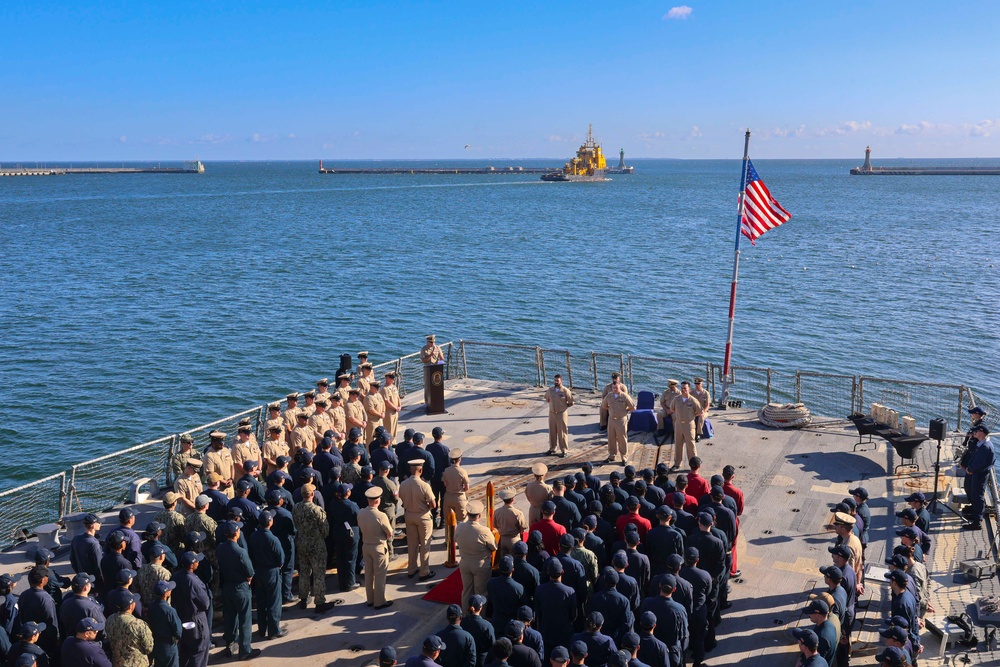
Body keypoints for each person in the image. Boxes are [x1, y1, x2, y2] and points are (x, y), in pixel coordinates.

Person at [215, 521, 260, 660]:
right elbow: (250, 572)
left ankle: (230, 644)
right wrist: (248, 579)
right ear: (236, 533)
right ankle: (245, 650)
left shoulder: (220, 548)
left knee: (229, 618)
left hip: (227, 587)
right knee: (244, 619)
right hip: (240, 588)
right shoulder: (240, 552)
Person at [292, 484, 332, 613]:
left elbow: (296, 525)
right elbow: (325, 531)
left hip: (302, 543)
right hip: (316, 545)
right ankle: (319, 602)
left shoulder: (296, 508)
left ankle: (303, 598)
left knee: (304, 572)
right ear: (312, 494)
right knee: (319, 574)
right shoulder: (317, 510)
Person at [247, 510, 286, 640]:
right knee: (274, 602)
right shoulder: (273, 539)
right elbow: (281, 558)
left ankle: (262, 629)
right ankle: (274, 630)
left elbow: (251, 554)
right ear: (270, 522)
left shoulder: (253, 536)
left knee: (261, 601)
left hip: (259, 571)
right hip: (271, 571)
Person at [456, 501, 498, 612]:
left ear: (467, 514)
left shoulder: (460, 527)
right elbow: (494, 547)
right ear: (479, 515)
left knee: (466, 591)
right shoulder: (484, 531)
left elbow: (456, 539)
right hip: (480, 565)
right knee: (481, 593)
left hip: (465, 563)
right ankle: (480, 616)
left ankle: (465, 615)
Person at [400, 460, 437, 581]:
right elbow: (433, 504)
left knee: (412, 544)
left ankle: (411, 569)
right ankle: (424, 572)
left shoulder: (403, 484)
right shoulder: (424, 485)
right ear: (420, 470)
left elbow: (402, 498)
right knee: (425, 544)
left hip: (409, 515)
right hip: (423, 516)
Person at [172, 552, 210, 667]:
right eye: (196, 561)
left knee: (185, 652)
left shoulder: (176, 577)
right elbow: (205, 603)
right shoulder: (193, 581)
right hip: (196, 620)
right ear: (191, 565)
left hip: (182, 617)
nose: (198, 562)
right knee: (199, 652)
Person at [358, 486, 394, 609]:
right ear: (378, 500)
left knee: (368, 574)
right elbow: (389, 533)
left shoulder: (361, 513)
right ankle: (379, 602)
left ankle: (370, 599)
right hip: (378, 547)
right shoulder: (381, 515)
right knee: (380, 575)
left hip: (366, 546)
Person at [533, 559, 577, 657]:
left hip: (546, 633)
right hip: (564, 633)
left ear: (548, 572)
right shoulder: (569, 591)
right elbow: (573, 615)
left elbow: (537, 611)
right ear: (562, 571)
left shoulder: (540, 589)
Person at [105, 589, 154, 667]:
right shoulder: (138, 624)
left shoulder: (109, 620)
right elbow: (149, 648)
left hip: (117, 663)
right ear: (131, 606)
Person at [962, 424, 996, 530]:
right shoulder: (981, 443)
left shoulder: (985, 447)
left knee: (977, 496)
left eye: (975, 432)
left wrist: (970, 469)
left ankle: (977, 521)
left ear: (981, 432)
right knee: (972, 492)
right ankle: (974, 512)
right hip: (975, 474)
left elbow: (979, 462)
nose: (974, 433)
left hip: (979, 475)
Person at [668, 383, 702, 471]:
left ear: (689, 389)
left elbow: (699, 412)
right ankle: (677, 464)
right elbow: (672, 408)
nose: (683, 390)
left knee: (691, 445)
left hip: (689, 425)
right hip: (679, 424)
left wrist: (691, 416)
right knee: (678, 444)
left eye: (685, 388)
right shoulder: (676, 399)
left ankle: (694, 465)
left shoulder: (693, 400)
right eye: (682, 388)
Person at [147, 581, 182, 667]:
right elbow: (178, 631)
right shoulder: (170, 611)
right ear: (166, 594)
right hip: (168, 645)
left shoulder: (151, 607)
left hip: (156, 644)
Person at [602, 378, 635, 465]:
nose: (614, 389)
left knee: (622, 438)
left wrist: (625, 410)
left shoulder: (624, 397)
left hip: (621, 420)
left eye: (616, 388)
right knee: (611, 437)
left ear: (620, 387)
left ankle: (624, 457)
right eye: (613, 388)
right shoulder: (609, 396)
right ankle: (612, 455)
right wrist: (611, 410)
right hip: (611, 419)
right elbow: (604, 405)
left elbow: (633, 407)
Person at [70, 515, 104, 592]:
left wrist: (79, 573)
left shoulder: (76, 539)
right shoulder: (94, 544)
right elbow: (99, 566)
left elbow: (72, 560)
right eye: (98, 522)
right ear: (92, 526)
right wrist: (102, 581)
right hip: (94, 581)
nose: (100, 524)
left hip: (82, 578)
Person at [545, 375, 574, 457]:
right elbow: (547, 399)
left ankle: (564, 450)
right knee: (552, 431)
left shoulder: (565, 391)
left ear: (561, 381)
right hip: (552, 413)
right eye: (555, 380)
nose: (556, 382)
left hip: (561, 413)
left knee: (562, 432)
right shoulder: (550, 390)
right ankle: (552, 448)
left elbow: (571, 402)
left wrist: (564, 407)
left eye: (557, 380)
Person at [462, 596, 496, 667]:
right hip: (482, 659)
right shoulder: (487, 626)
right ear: (480, 608)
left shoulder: (462, 621)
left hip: (465, 658)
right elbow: (493, 645)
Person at [494, 489, 529, 558]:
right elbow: (523, 527)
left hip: (503, 540)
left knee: (504, 560)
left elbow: (495, 525)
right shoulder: (518, 513)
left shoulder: (497, 512)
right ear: (513, 499)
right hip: (514, 540)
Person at [442, 450, 471, 525]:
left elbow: (445, 484)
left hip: (448, 497)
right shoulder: (463, 471)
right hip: (459, 498)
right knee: (461, 522)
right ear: (460, 459)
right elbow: (467, 487)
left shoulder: (446, 470)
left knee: (449, 521)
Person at [380, 373, 402, 441]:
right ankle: (389, 442)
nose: (393, 380)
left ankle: (394, 441)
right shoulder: (384, 389)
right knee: (389, 428)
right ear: (387, 378)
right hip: (389, 412)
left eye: (393, 378)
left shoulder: (394, 387)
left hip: (395, 411)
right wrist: (395, 408)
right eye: (392, 378)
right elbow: (387, 401)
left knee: (395, 427)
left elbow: (398, 397)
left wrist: (400, 406)